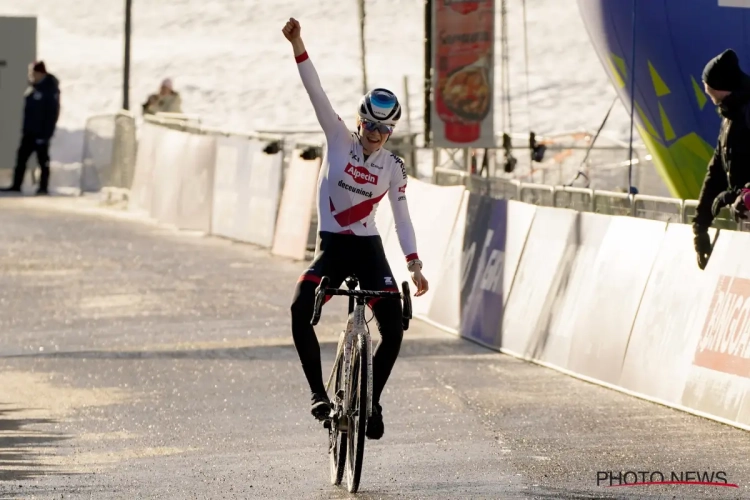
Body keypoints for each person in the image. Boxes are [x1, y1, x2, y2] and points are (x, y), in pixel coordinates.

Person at [282, 17, 429, 440]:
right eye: (371, 126)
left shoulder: (393, 167)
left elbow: (402, 218)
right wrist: (298, 43)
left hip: (369, 251)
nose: (377, 136)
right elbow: (316, 91)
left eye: (386, 130)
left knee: (394, 328)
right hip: (332, 247)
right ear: (359, 121)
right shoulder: (338, 138)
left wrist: (414, 264)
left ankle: (372, 400)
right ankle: (317, 395)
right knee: (298, 309)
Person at [693, 48, 750, 269]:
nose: (707, 93)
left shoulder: (745, 112)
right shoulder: (729, 116)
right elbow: (716, 171)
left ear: (720, 87)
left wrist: (740, 194)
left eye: (708, 88)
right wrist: (700, 225)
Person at [1, 61, 60, 195]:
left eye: (33, 73)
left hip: (41, 133)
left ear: (40, 73)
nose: (31, 75)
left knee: (42, 161)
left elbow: (52, 114)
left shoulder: (49, 90)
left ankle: (43, 187)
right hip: (29, 132)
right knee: (21, 158)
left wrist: (45, 135)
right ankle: (16, 185)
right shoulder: (34, 88)